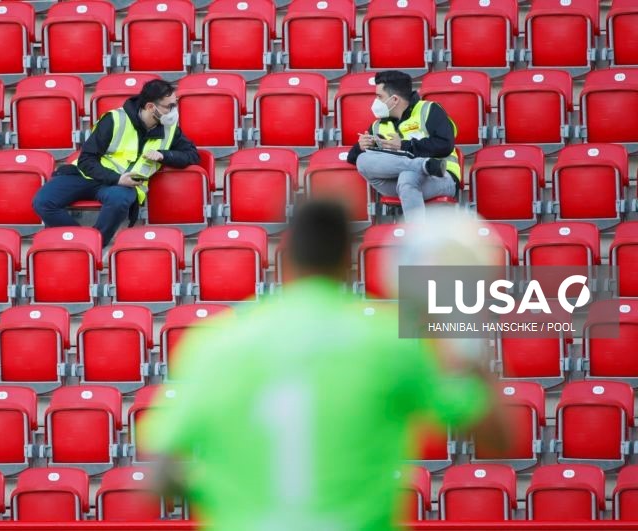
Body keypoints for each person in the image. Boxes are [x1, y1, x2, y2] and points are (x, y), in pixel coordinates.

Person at [143, 201, 503, 530]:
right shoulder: (388, 342)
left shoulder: (214, 343)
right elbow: (496, 436)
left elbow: (159, 477)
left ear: (284, 258)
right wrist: (461, 332)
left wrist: (224, 493)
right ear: (349, 261)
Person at [32, 79, 200, 246]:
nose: (174, 111)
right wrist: (117, 178)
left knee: (119, 200)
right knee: (43, 201)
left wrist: (164, 155)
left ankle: (94, 245)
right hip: (89, 176)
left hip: (124, 187)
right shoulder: (115, 120)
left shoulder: (169, 129)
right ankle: (81, 242)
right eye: (169, 106)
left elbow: (192, 155)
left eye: (174, 105)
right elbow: (86, 159)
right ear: (150, 107)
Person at [347, 70, 461, 224]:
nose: (376, 101)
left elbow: (445, 145)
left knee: (408, 176)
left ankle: (416, 239)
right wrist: (360, 147)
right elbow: (353, 159)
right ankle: (423, 165)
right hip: (395, 182)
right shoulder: (379, 124)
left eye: (379, 97)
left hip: (439, 177)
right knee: (362, 160)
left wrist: (404, 146)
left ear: (394, 99)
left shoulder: (429, 110)